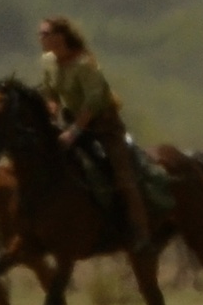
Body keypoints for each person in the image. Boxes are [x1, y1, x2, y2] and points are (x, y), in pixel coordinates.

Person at [37, 16, 152, 251]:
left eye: (46, 33)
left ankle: (141, 234)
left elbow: (95, 100)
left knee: (123, 176)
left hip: (103, 127)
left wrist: (76, 131)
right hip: (70, 123)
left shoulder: (84, 64)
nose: (41, 38)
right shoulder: (48, 61)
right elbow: (50, 92)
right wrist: (52, 112)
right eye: (41, 34)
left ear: (61, 36)